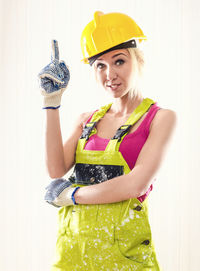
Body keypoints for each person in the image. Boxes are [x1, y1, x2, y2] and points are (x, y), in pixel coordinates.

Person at [38, 11, 176, 271]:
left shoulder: (160, 119)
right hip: (73, 253)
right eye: (100, 65)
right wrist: (51, 103)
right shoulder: (86, 120)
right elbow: (56, 170)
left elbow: (135, 184)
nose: (109, 74)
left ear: (138, 59)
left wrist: (73, 195)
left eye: (119, 61)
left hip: (125, 258)